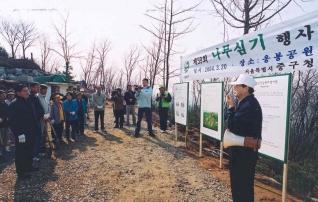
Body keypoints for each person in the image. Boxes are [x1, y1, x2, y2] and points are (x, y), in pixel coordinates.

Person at [225, 74, 263, 202]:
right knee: (240, 186)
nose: (234, 88)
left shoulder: (249, 105)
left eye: (237, 85)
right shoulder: (248, 103)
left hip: (244, 154)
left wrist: (231, 107)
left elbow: (233, 125)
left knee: (242, 187)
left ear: (246, 88)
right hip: (243, 152)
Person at [9, 84, 39, 180]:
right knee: (21, 152)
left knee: (29, 150)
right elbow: (13, 122)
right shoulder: (15, 104)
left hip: (31, 131)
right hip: (22, 133)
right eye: (24, 91)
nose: (27, 92)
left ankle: (29, 166)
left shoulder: (29, 101)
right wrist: (19, 134)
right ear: (18, 93)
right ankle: (21, 172)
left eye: (27, 90)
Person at [29, 82, 46, 161]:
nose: (38, 89)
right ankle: (33, 155)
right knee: (35, 138)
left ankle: (37, 152)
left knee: (39, 136)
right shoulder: (30, 97)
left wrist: (42, 115)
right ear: (32, 88)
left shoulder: (36, 96)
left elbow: (40, 107)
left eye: (39, 87)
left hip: (39, 119)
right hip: (33, 121)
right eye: (37, 87)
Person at [38, 84, 51, 154]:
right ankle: (40, 146)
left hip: (46, 117)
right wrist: (42, 115)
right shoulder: (38, 97)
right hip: (41, 118)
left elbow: (48, 106)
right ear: (40, 90)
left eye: (46, 89)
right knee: (41, 132)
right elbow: (39, 108)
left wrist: (48, 114)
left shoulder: (45, 98)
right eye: (44, 89)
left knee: (45, 132)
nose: (45, 91)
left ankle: (44, 144)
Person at [0, 90, 10, 157]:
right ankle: (0, 150)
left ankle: (4, 148)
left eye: (4, 94)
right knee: (1, 137)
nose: (4, 95)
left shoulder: (5, 103)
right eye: (2, 94)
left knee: (5, 137)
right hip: (1, 123)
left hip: (6, 123)